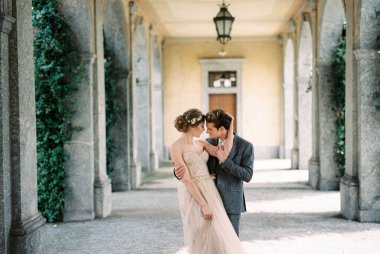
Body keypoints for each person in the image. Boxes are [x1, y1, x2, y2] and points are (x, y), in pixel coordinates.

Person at [170, 108, 245, 254]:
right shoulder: (175, 147)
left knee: (217, 231)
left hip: (210, 189)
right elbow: (186, 180)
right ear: (191, 126)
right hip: (193, 193)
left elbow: (224, 153)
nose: (204, 129)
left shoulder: (201, 143)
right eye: (201, 126)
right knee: (201, 232)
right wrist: (204, 204)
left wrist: (231, 128)